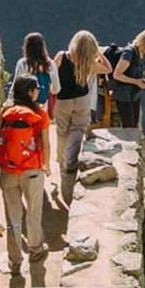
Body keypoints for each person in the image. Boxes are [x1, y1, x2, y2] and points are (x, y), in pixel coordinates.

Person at [0, 75, 52, 285]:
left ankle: (15, 261)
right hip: (32, 171)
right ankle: (36, 249)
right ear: (30, 92)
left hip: (9, 170)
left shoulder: (5, 112)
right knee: (33, 211)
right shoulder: (39, 114)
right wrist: (45, 165)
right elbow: (45, 143)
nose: (38, 91)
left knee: (12, 218)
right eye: (36, 88)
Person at [53, 30, 112, 203]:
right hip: (82, 100)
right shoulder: (89, 63)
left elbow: (52, 75)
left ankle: (61, 159)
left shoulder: (62, 56)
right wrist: (98, 52)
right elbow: (108, 68)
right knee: (78, 130)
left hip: (63, 101)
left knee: (61, 131)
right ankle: (70, 163)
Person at [111, 28, 145, 128]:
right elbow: (117, 74)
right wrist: (137, 82)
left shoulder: (139, 52)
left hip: (134, 95)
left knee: (134, 126)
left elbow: (138, 67)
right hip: (124, 95)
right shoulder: (129, 53)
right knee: (129, 126)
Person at [13, 32, 60, 116]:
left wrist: (9, 103)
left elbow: (15, 86)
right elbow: (56, 89)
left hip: (24, 106)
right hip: (42, 106)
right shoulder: (50, 64)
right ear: (43, 47)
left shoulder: (22, 64)